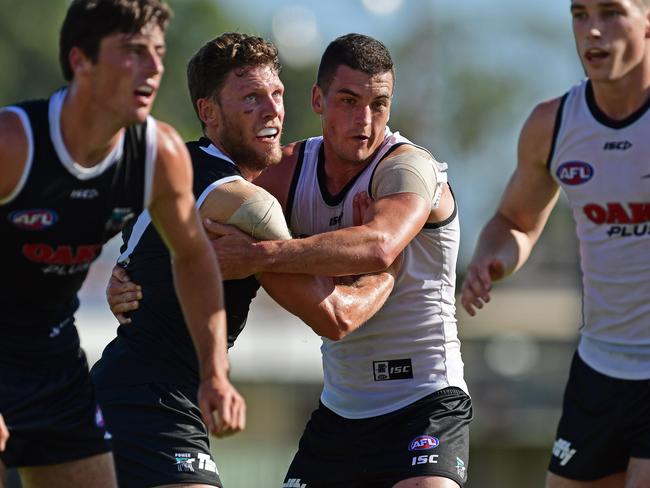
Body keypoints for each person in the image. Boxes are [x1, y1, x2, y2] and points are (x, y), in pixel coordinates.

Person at [97, 32, 399, 488]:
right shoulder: (247, 205)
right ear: (209, 113)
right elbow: (335, 316)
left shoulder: (175, 167)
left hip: (124, 392)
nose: (273, 110)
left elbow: (134, 254)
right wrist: (388, 266)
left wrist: (124, 281)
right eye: (252, 98)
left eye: (276, 94)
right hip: (149, 403)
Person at [198, 33, 471, 488]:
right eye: (348, 101)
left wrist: (257, 255)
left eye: (379, 104)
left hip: (425, 404)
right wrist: (129, 266)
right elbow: (195, 198)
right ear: (318, 99)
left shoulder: (407, 168)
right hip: (341, 412)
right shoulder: (286, 170)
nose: (365, 121)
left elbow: (379, 246)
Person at [0, 1, 244, 487]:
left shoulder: (159, 154)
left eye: (157, 52)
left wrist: (214, 372)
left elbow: (193, 257)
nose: (153, 68)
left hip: (53, 359)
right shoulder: (13, 143)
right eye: (133, 52)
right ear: (80, 61)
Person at [460, 0, 650, 486]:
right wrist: (491, 259)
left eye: (611, 13)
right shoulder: (554, 125)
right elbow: (516, 221)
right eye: (580, 15)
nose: (592, 31)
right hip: (598, 367)